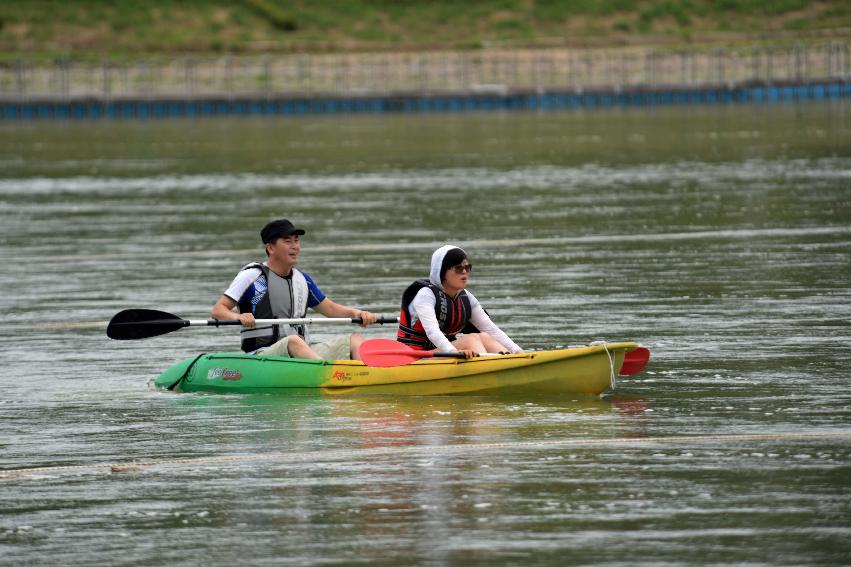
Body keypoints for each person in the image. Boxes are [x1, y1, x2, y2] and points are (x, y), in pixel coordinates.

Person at [211, 218, 378, 359]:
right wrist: (239, 316)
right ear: (271, 248)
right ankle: (329, 373)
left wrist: (357, 313)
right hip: (262, 355)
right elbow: (219, 310)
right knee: (294, 341)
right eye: (287, 241)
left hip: (301, 352)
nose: (295, 246)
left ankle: (365, 377)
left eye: (296, 240)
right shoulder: (252, 276)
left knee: (355, 340)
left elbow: (331, 309)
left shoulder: (303, 280)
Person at [397, 244, 523, 358]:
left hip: (443, 352)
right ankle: (490, 369)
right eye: (458, 268)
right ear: (442, 272)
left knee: (484, 336)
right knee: (471, 339)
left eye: (467, 267)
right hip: (414, 357)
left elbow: (491, 329)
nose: (464, 272)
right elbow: (432, 331)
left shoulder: (466, 298)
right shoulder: (425, 295)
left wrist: (517, 350)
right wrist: (453, 351)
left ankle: (511, 359)